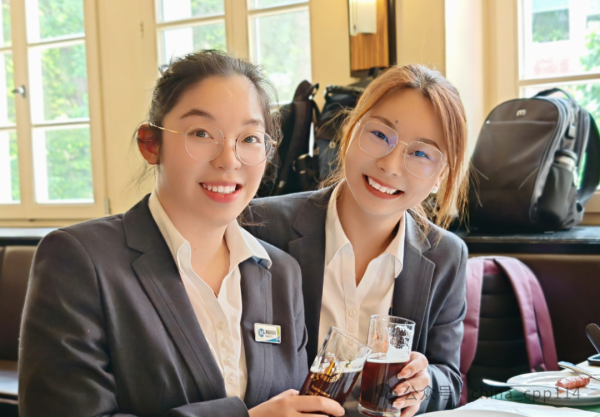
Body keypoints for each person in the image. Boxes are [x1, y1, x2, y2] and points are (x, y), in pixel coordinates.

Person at [18, 50, 344, 417]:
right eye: (201, 133)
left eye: (250, 138)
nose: (228, 159)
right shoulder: (80, 260)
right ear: (150, 144)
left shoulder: (280, 273)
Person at [243, 64, 469, 417]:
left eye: (421, 154)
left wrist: (423, 386)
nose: (391, 165)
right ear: (350, 130)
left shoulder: (446, 256)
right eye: (379, 134)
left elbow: (449, 381)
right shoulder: (261, 226)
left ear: (441, 176)